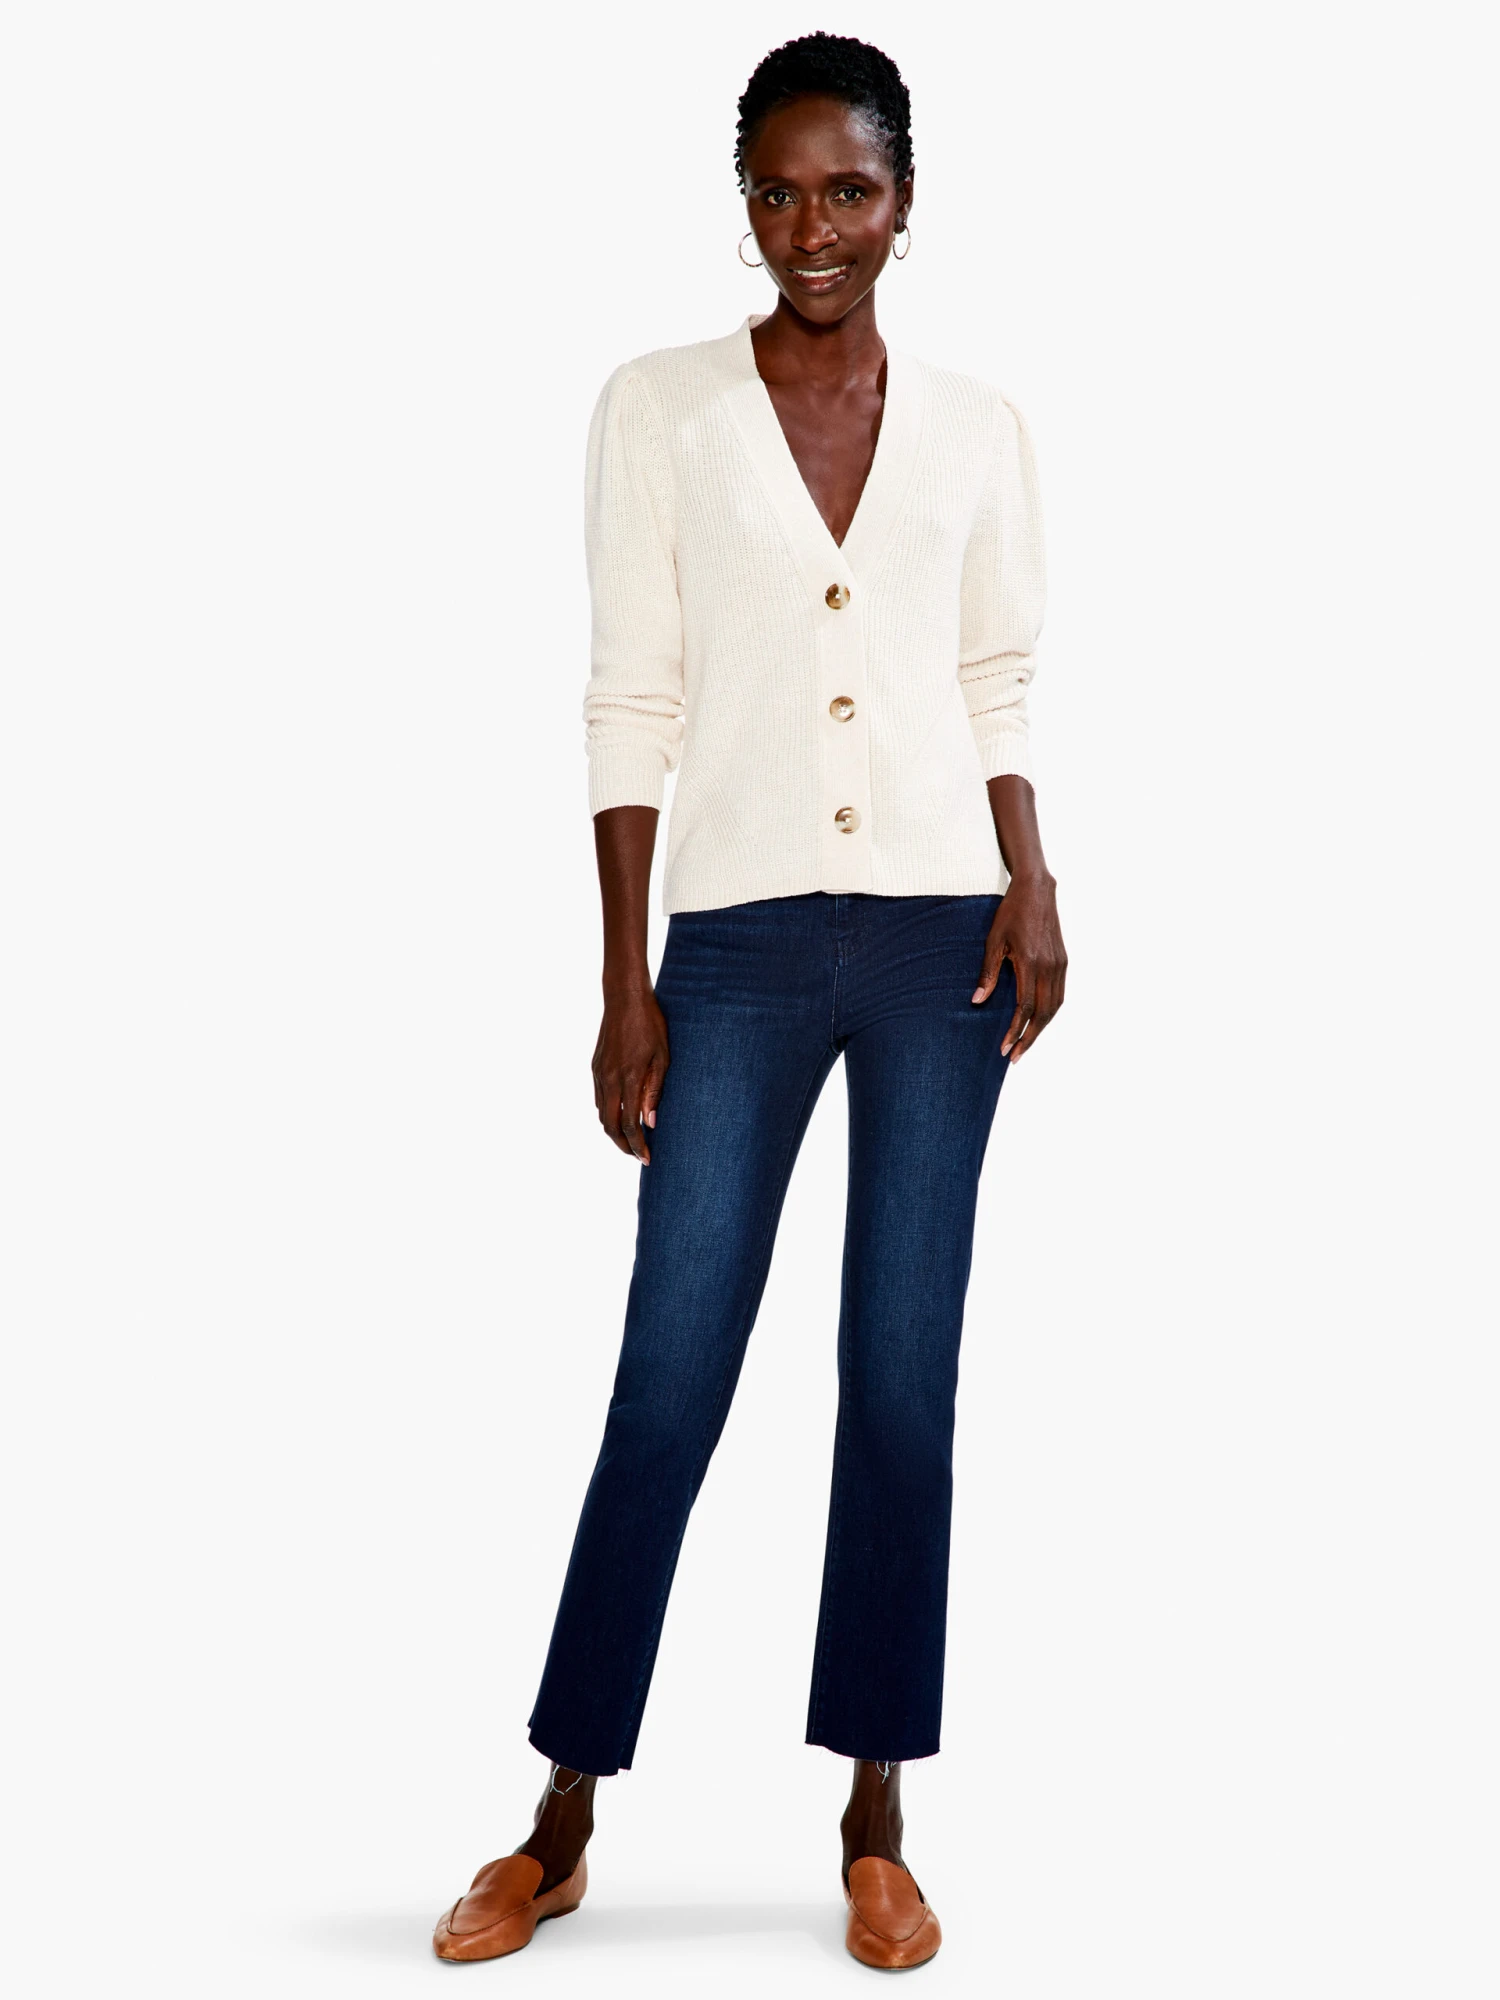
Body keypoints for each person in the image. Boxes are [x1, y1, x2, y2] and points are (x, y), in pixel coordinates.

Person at [433, 32, 1067, 1971]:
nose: (814, 229)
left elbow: (997, 674)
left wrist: (1036, 877)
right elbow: (630, 694)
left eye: (848, 191)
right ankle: (560, 1813)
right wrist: (623, 978)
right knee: (671, 1374)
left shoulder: (979, 425)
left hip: (944, 938)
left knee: (901, 1379)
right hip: (735, 944)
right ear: (747, 207)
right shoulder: (663, 410)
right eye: (780, 195)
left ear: (905, 202)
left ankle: (876, 1811)